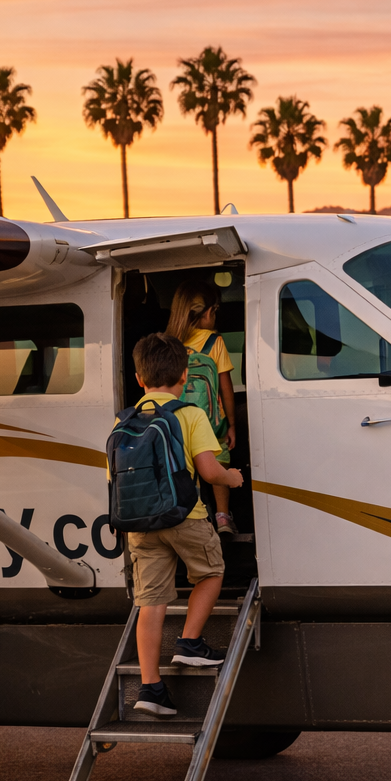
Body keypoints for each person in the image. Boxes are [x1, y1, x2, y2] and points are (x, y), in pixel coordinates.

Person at [119, 333, 246, 717]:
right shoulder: (190, 414)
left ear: (139, 378)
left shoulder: (124, 419)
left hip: (139, 523)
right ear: (185, 374)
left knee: (150, 602)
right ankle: (190, 642)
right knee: (210, 572)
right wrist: (233, 478)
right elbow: (209, 471)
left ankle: (150, 688)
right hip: (184, 516)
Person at [167, 279, 240, 534]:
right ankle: (222, 517)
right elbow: (226, 388)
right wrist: (231, 424)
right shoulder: (214, 342)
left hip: (178, 420)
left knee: (186, 465)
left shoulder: (169, 344)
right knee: (218, 459)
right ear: (208, 312)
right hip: (211, 421)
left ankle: (193, 514)